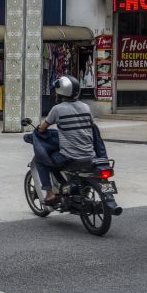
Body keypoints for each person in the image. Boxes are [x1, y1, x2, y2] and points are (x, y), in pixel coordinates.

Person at [36, 75, 96, 204]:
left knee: (40, 160)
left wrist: (39, 129)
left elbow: (42, 128)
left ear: (60, 91)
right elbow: (91, 126)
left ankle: (50, 193)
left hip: (70, 157)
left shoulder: (57, 109)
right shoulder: (86, 107)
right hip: (90, 155)